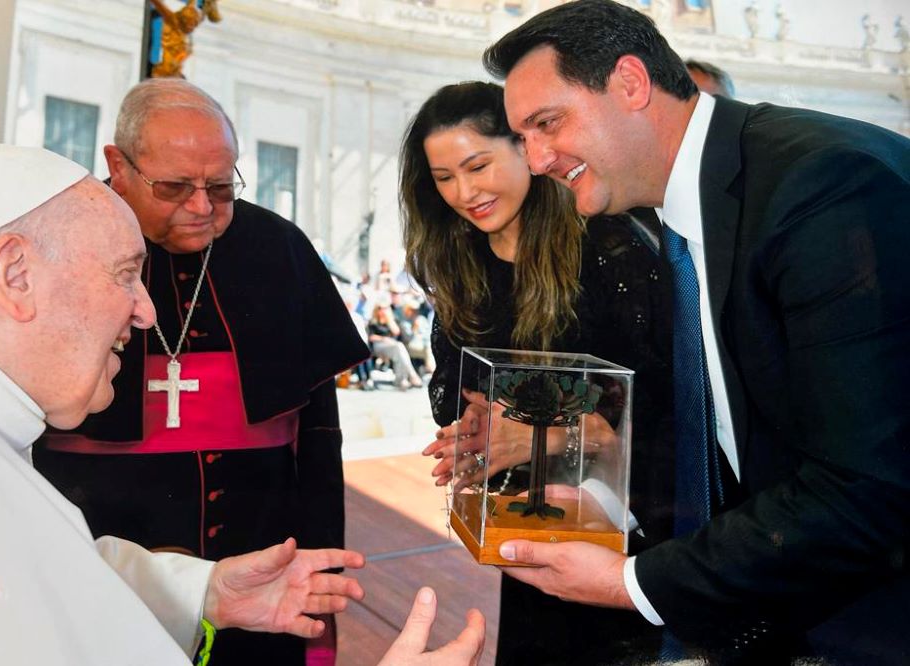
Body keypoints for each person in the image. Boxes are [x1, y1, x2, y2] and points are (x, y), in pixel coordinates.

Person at [0, 143, 487, 665]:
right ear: (14, 275)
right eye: (124, 275)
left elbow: (51, 574)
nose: (146, 311)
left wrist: (202, 591)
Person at [484, 0, 910, 663]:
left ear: (631, 83)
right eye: (523, 137)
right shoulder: (690, 207)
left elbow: (865, 487)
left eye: (548, 123)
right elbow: (734, 433)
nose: (536, 160)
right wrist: (609, 502)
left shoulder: (821, 186)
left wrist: (630, 583)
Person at [32, 78, 367, 664]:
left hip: (261, 559)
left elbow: (319, 435)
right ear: (118, 165)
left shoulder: (280, 248)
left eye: (220, 187)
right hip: (97, 548)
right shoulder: (56, 243)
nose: (201, 207)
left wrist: (320, 575)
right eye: (174, 187)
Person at [400, 81, 673, 664]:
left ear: (526, 149)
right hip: (529, 533)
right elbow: (455, 390)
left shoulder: (611, 249)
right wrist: (473, 431)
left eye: (478, 166)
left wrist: (553, 433)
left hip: (634, 548)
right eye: (444, 178)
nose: (465, 193)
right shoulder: (461, 264)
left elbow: (671, 409)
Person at [367, 300, 424, 390]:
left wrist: (389, 320)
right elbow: (371, 337)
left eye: (385, 308)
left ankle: (401, 379)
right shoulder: (373, 321)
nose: (382, 310)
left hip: (392, 346)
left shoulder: (393, 320)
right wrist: (384, 339)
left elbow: (396, 332)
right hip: (378, 345)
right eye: (380, 308)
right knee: (399, 347)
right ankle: (411, 376)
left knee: (399, 352)